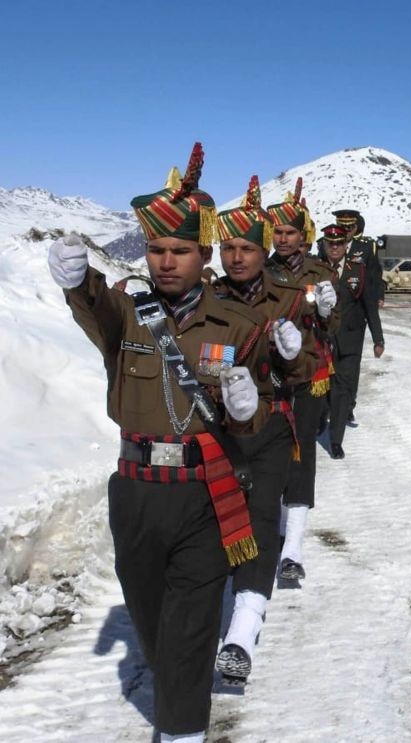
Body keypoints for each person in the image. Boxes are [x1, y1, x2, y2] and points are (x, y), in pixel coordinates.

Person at [47, 143, 272, 743]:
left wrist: (249, 412)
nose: (166, 262)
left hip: (203, 494)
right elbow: (94, 303)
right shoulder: (126, 310)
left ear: (204, 256)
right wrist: (78, 280)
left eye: (180, 251)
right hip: (137, 494)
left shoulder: (238, 326)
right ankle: (174, 682)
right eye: (156, 250)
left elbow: (253, 420)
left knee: (190, 632)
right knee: (153, 624)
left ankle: (182, 731)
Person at [211, 175, 317, 684]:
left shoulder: (289, 297)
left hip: (272, 422)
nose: (236, 258)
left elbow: (309, 363)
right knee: (215, 524)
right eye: (227, 247)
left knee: (256, 517)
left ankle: (243, 628)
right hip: (216, 429)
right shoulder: (206, 298)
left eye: (246, 248)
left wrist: (296, 357)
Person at [265, 180, 338, 583]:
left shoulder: (320, 272)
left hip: (310, 375)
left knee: (301, 454)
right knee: (270, 451)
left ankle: (293, 546)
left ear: (303, 236)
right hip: (271, 374)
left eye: (290, 232)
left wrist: (327, 312)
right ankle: (273, 526)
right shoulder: (262, 268)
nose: (283, 239)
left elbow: (336, 324)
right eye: (277, 232)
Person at [317, 222, 385, 459]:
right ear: (324, 245)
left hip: (350, 338)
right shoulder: (316, 269)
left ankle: (336, 440)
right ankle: (321, 417)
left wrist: (378, 339)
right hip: (322, 339)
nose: (334, 248)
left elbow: (369, 305)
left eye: (339, 243)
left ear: (346, 245)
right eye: (330, 243)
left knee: (342, 390)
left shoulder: (359, 270)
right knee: (322, 386)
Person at [333, 208, 384, 308]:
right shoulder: (325, 245)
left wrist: (379, 295)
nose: (346, 230)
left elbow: (375, 274)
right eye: (342, 227)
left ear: (355, 228)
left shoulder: (366, 248)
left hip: (356, 303)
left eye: (349, 227)